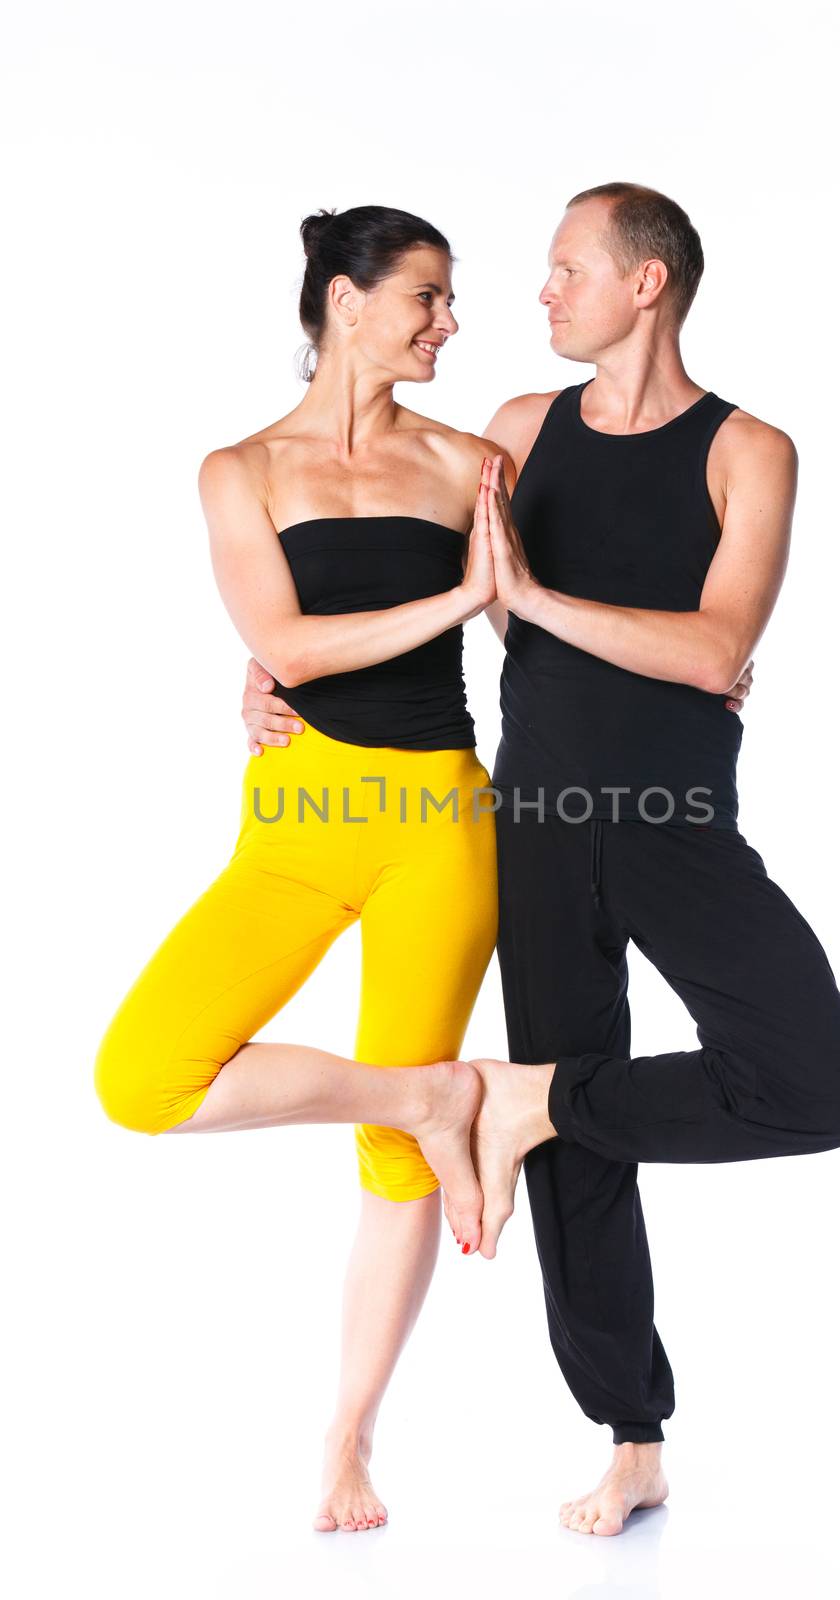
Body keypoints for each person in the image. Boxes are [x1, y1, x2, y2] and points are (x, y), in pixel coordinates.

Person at [242, 183, 840, 1538]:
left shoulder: (749, 449)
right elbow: (396, 549)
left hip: (671, 824)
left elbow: (714, 650)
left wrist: (531, 602)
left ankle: (536, 1097)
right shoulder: (518, 433)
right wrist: (269, 673)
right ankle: (631, 1438)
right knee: (584, 1167)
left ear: (644, 284)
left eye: (565, 269)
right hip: (528, 822)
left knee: (822, 1087)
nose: (538, 296)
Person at [94, 204, 512, 1534]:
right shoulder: (240, 471)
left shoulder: (468, 463)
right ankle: (437, 1096)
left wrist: (704, 666)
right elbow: (290, 639)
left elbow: (540, 625)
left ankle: (348, 1439)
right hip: (297, 823)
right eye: (428, 298)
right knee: (143, 1076)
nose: (449, 322)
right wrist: (435, 608)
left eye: (451, 302)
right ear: (345, 299)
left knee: (395, 1168)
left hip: (442, 827)